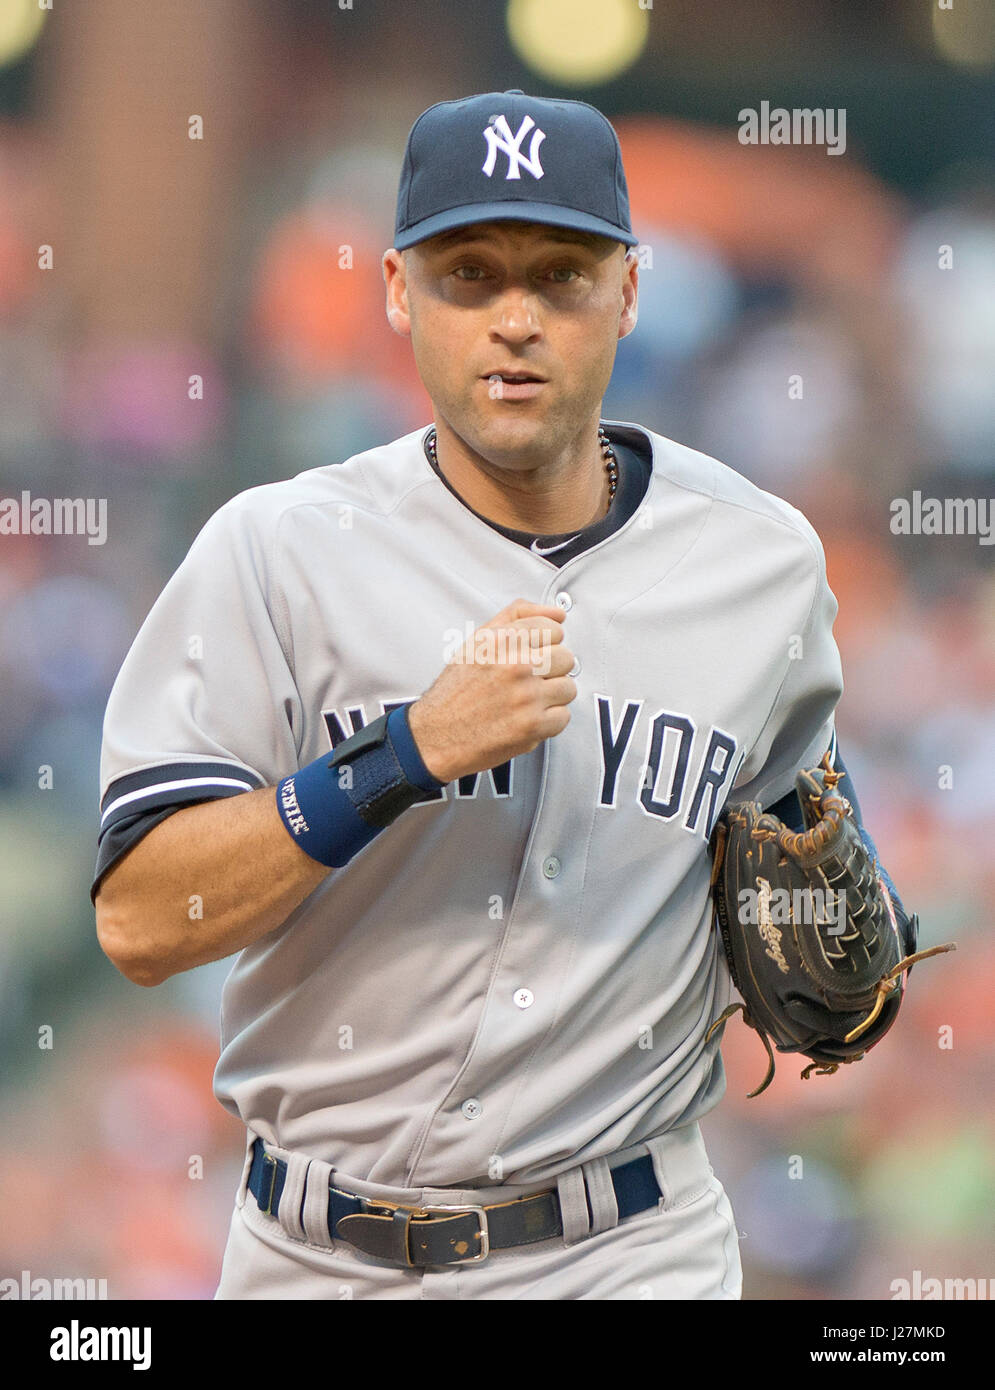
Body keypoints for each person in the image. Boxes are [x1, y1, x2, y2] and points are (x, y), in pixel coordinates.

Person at [92, 90, 908, 1300]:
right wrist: (401, 754)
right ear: (394, 292)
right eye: (468, 274)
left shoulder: (761, 566)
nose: (514, 319)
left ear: (627, 290)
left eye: (560, 276)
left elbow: (809, 868)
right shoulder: (275, 551)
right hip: (315, 1254)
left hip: (626, 1249)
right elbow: (144, 922)